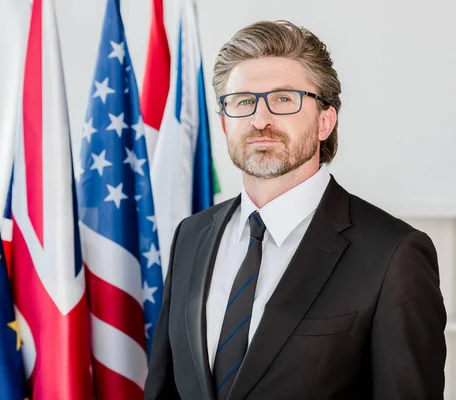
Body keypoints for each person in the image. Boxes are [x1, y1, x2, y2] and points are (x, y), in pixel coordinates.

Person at [144, 20, 446, 400]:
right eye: (243, 102)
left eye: (284, 99)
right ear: (223, 123)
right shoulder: (191, 235)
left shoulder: (394, 255)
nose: (260, 120)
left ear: (325, 121)